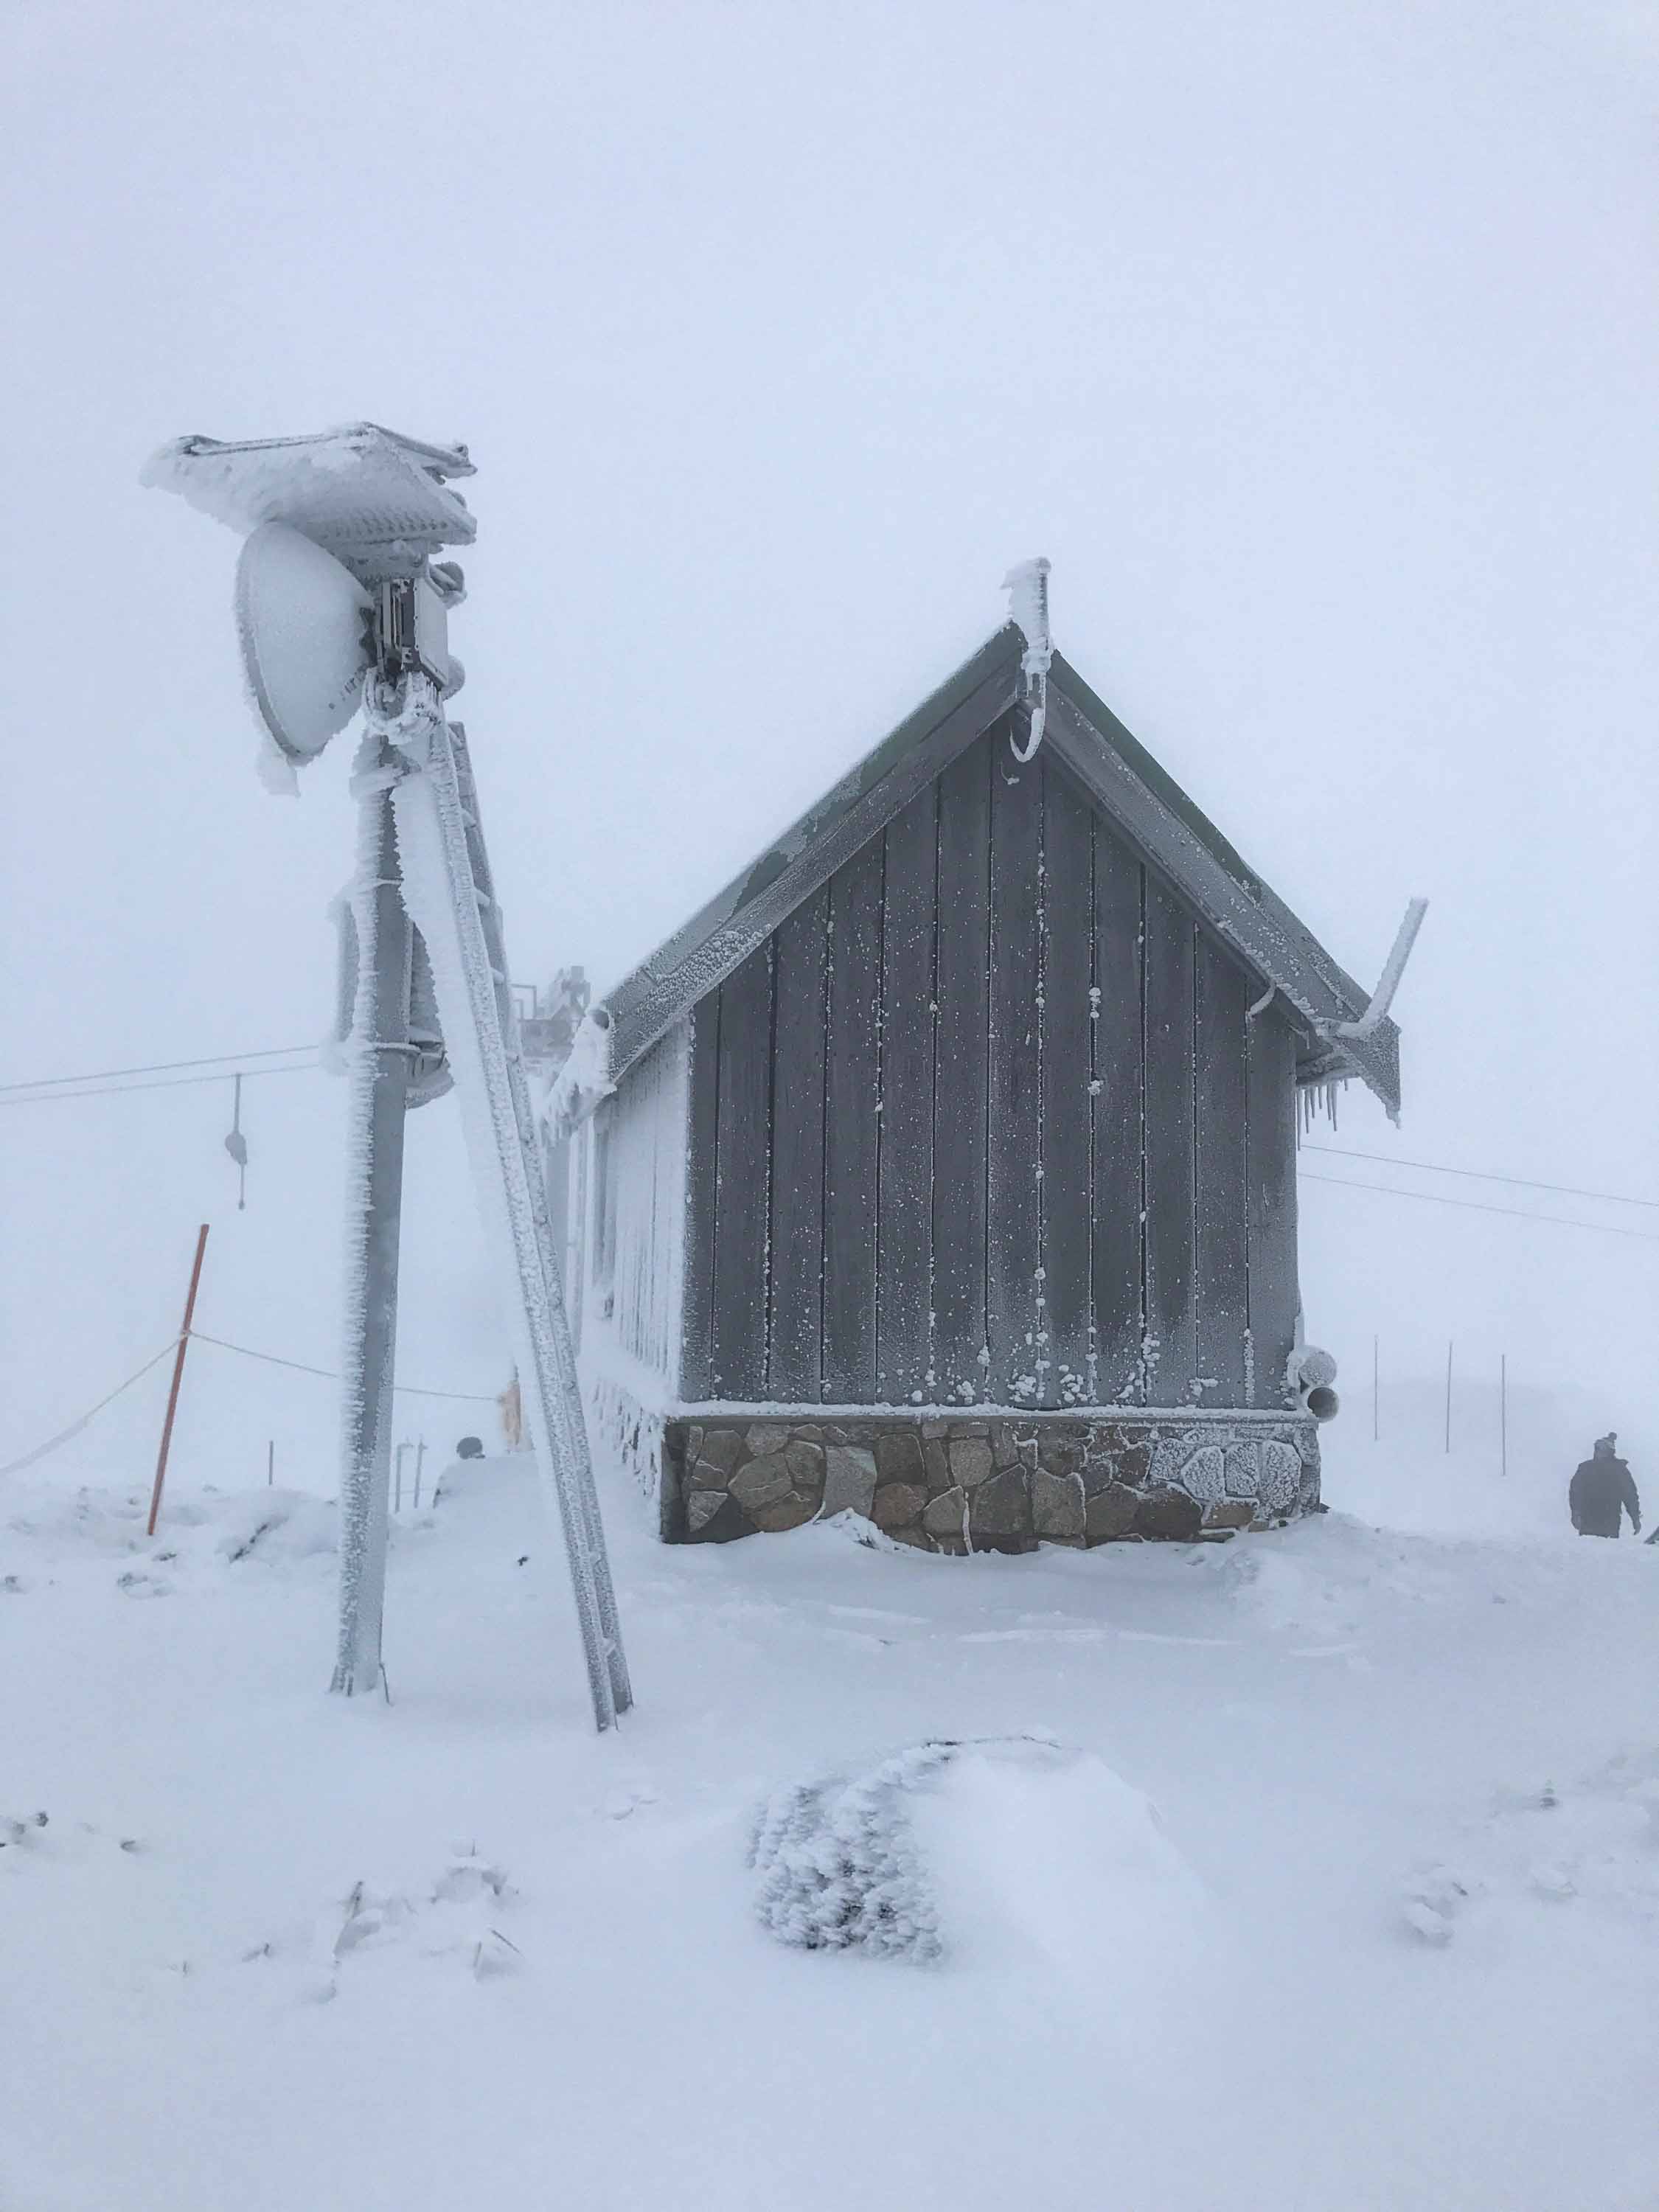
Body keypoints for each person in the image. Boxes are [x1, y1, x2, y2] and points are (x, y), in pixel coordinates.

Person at [1568, 1433, 1640, 1539]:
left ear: (1610, 1452)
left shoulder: (1619, 1470)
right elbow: (1575, 1493)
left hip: (1610, 1523)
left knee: (1608, 1553)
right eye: (1597, 1449)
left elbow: (1630, 1496)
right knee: (1588, 1552)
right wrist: (1575, 1513)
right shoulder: (1585, 1468)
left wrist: (1635, 1519)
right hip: (1588, 1521)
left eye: (1602, 1449)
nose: (1598, 1452)